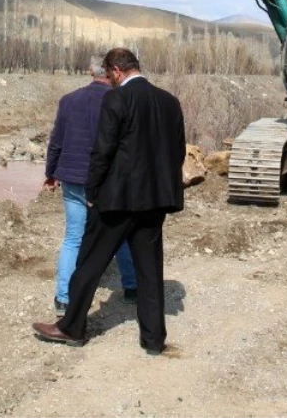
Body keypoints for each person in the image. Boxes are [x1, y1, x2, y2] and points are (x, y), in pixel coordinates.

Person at [32, 47, 186, 355]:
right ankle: (153, 340)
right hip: (155, 202)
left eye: (110, 74)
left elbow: (102, 152)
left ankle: (71, 328)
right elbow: (178, 151)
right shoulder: (169, 102)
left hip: (117, 201)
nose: (110, 79)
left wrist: (92, 193)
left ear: (116, 70)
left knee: (89, 263)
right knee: (150, 270)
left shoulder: (116, 99)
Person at [43, 57, 138, 317]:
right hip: (108, 180)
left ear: (90, 72)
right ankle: (131, 287)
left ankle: (64, 298)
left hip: (73, 177)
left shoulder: (69, 100)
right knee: (117, 235)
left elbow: (56, 141)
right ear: (111, 73)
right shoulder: (120, 100)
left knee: (73, 237)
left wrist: (50, 173)